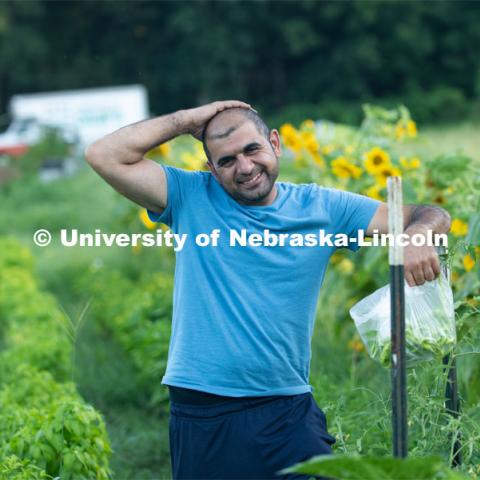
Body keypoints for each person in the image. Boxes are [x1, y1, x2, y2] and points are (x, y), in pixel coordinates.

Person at [85, 100, 451, 479]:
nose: (244, 168)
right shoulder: (189, 196)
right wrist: (187, 120)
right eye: (226, 161)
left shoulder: (324, 208)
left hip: (288, 409)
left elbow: (427, 213)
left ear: (274, 143)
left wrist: (418, 234)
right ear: (211, 168)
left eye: (251, 149)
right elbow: (103, 155)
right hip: (205, 409)